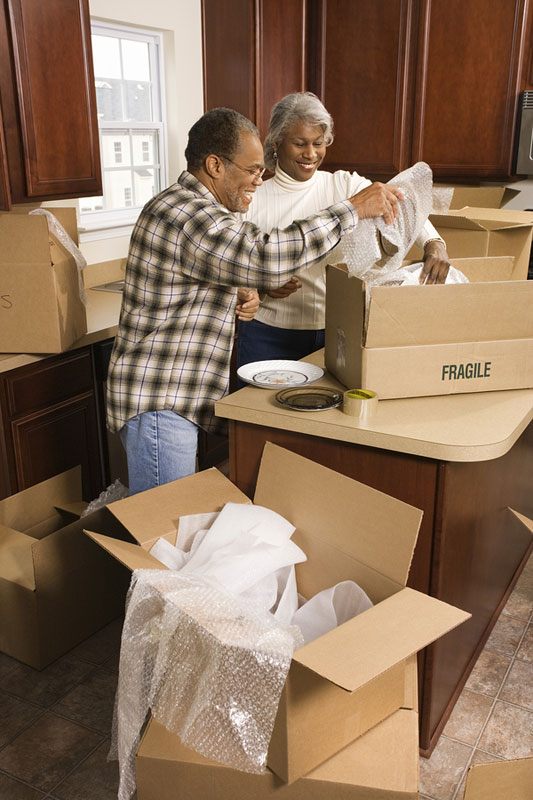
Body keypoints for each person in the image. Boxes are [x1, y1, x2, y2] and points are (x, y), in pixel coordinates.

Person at [106, 107, 405, 494]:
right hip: (161, 402)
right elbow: (264, 256)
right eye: (252, 171)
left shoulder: (206, 211)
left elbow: (222, 266)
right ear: (215, 165)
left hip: (172, 399)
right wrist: (352, 209)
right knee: (164, 532)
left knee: (170, 524)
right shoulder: (189, 215)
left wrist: (240, 289)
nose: (258, 181)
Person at [237, 92, 450, 368]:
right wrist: (261, 285)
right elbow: (233, 267)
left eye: (318, 143)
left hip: (337, 331)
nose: (311, 154)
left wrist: (434, 243)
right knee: (258, 411)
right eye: (300, 143)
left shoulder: (343, 186)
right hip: (267, 334)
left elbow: (400, 201)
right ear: (276, 142)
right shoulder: (252, 200)